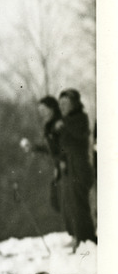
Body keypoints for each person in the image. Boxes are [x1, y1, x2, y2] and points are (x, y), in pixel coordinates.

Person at [54, 89, 97, 248]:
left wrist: (64, 124)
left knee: (80, 206)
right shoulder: (67, 120)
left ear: (74, 104)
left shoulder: (81, 118)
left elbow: (80, 135)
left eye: (65, 103)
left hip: (80, 168)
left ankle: (85, 240)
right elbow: (63, 146)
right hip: (71, 168)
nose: (62, 107)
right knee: (72, 205)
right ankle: (79, 238)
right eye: (60, 104)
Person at [20, 96, 65, 217]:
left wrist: (62, 161)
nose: (42, 113)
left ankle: (79, 234)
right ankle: (74, 232)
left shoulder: (60, 123)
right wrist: (34, 148)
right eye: (40, 111)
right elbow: (52, 149)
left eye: (44, 110)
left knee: (64, 200)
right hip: (59, 166)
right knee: (56, 200)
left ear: (52, 108)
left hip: (67, 165)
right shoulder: (49, 126)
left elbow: (65, 146)